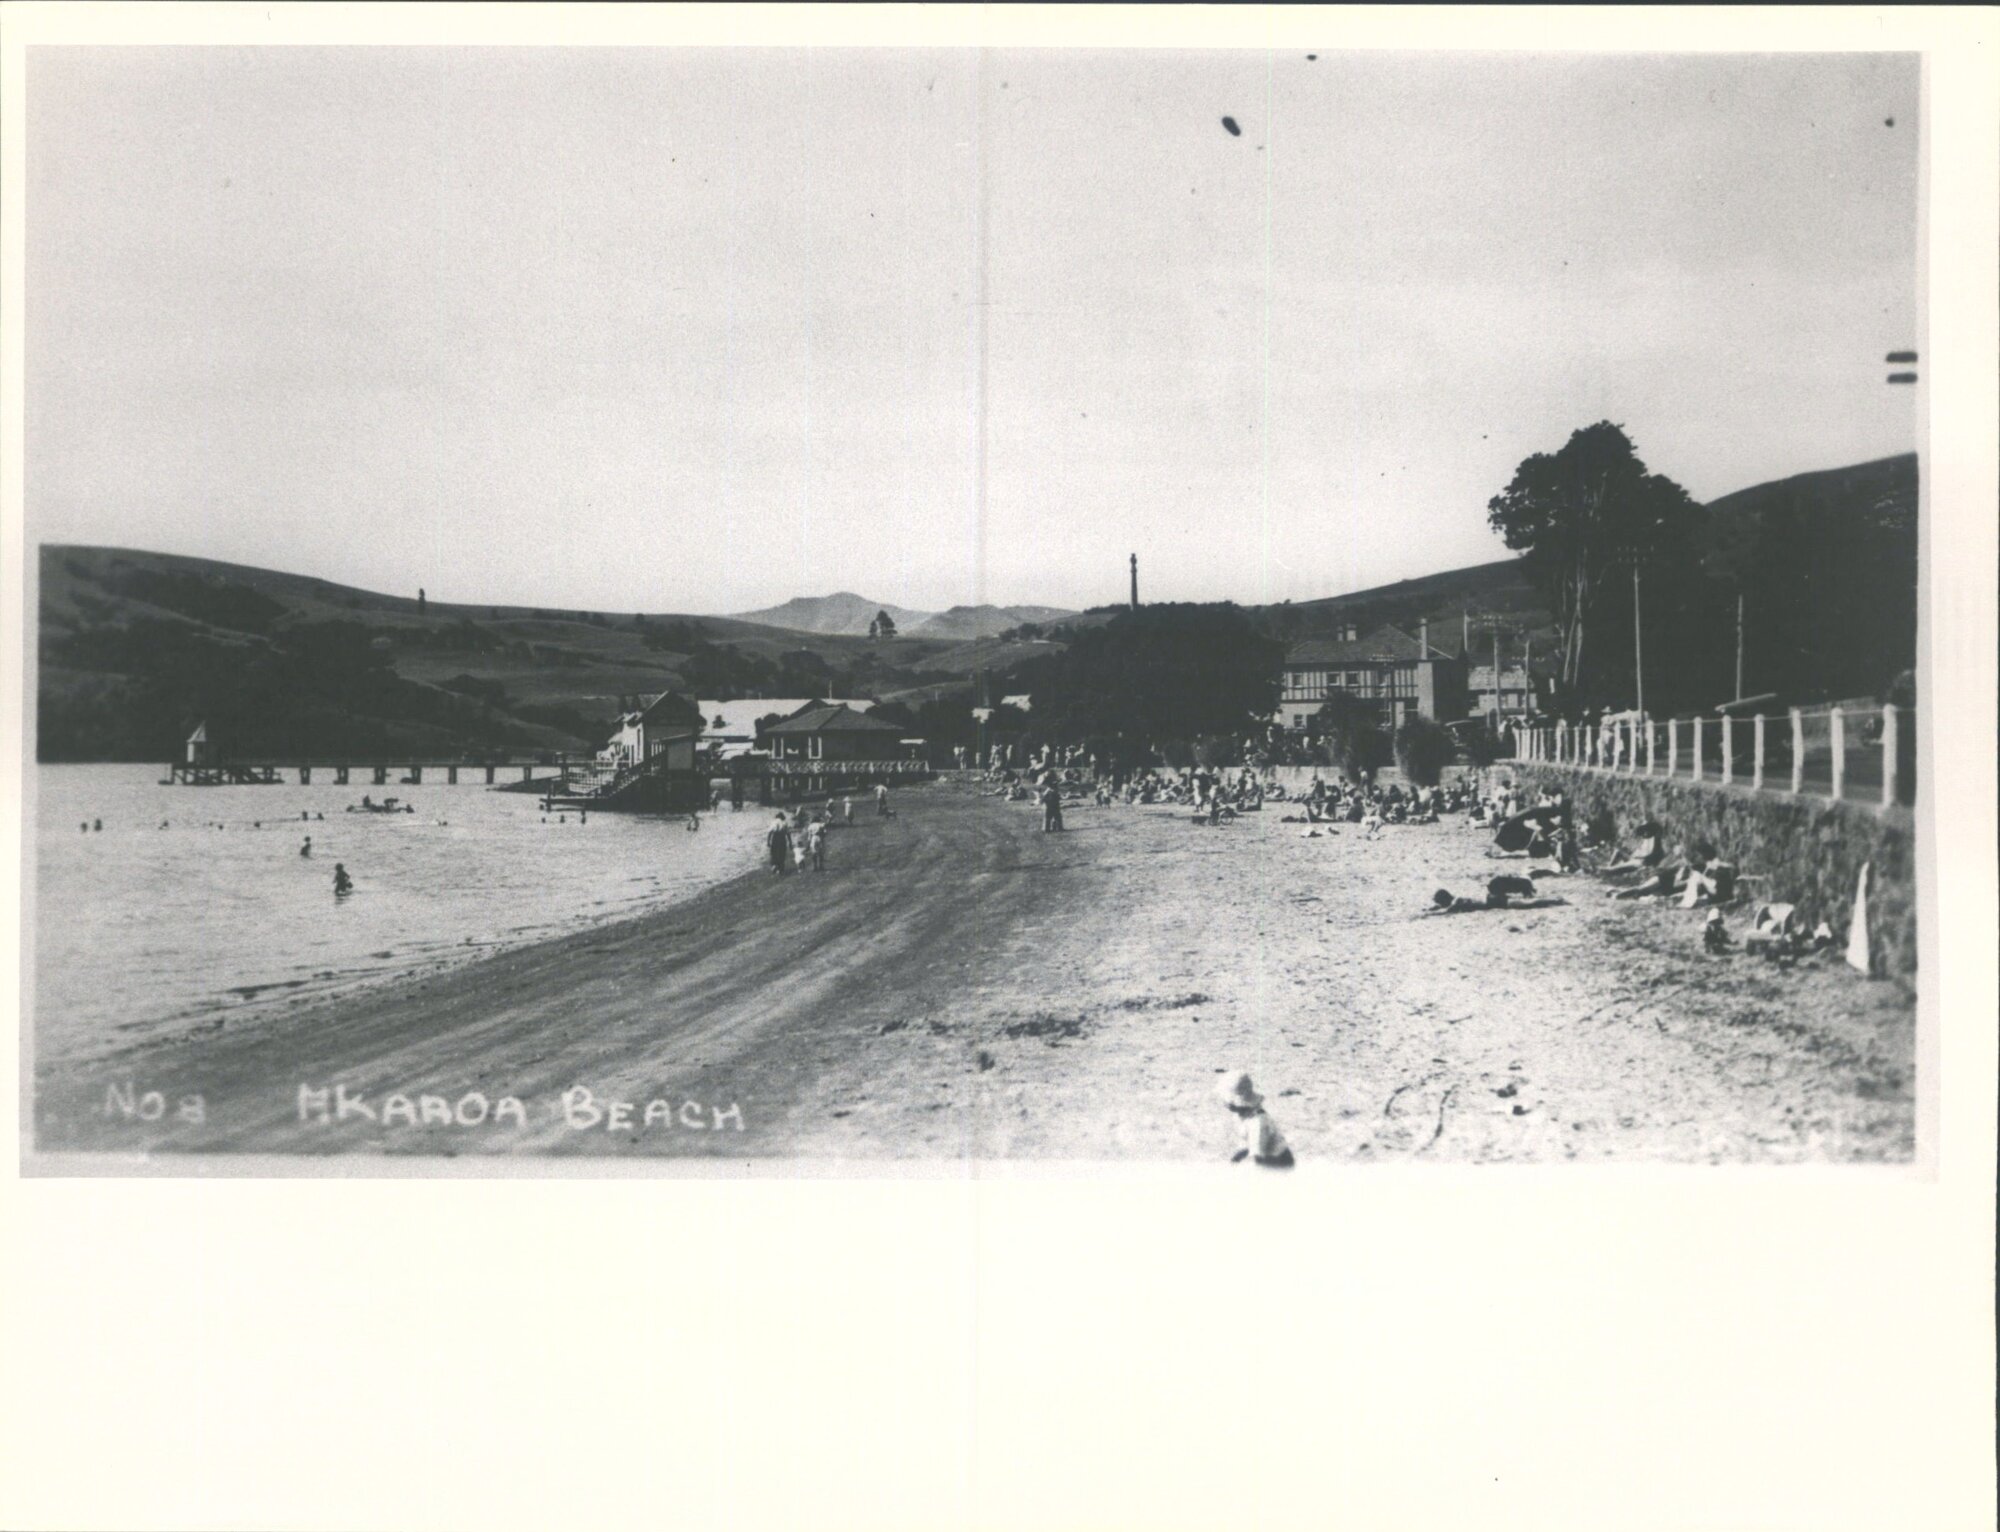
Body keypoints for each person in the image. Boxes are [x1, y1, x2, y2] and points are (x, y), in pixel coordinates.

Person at [1218, 1072, 1294, 1168]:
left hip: (1278, 1161)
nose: (1225, 1103)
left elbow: (1258, 1158)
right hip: (1265, 1155)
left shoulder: (1257, 1123)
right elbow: (1247, 1145)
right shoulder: (1242, 1115)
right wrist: (1234, 1160)